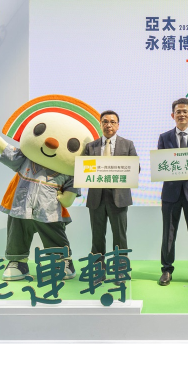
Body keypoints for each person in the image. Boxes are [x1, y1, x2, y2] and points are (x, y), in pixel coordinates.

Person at [156, 97, 188, 287]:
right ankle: (166, 270)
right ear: (172, 115)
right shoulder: (164, 137)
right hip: (170, 194)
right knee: (168, 234)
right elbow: (160, 165)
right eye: (178, 111)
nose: (181, 114)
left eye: (185, 111)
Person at [81, 110, 138, 265]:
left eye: (113, 122)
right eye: (105, 122)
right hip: (96, 198)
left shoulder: (128, 144)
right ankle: (98, 268)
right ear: (100, 125)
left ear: (118, 125)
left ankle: (120, 268)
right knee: (97, 237)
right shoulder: (90, 147)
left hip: (119, 197)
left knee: (120, 236)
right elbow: (83, 170)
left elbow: (136, 168)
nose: (109, 125)